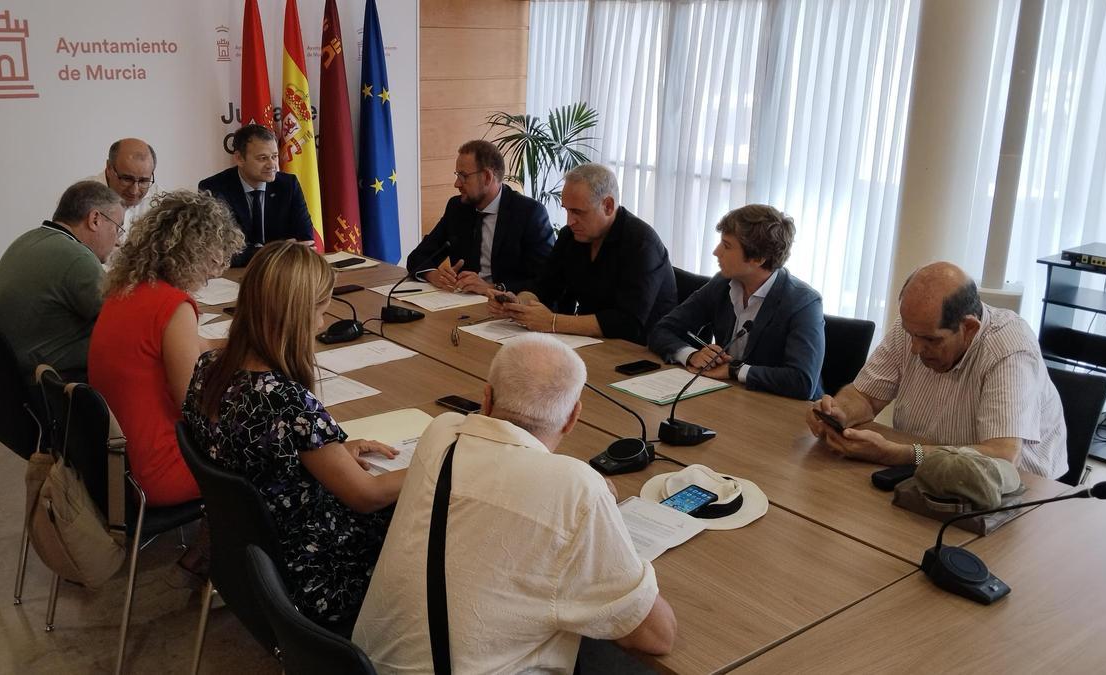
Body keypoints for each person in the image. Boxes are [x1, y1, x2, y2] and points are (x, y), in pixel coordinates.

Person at [354, 334, 676, 673]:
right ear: (573, 417)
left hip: (369, 666)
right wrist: (600, 515)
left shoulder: (442, 432)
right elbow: (657, 636)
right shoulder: (578, 490)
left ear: (487, 398)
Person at [182, 241, 402, 635]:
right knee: (420, 511)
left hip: (247, 562)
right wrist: (437, 460)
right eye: (319, 311)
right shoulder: (287, 402)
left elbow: (251, 451)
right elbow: (366, 496)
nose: (321, 324)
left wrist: (328, 451)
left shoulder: (208, 368)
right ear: (293, 315)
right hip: (313, 575)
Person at [808, 262, 1068, 478]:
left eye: (931, 340)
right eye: (912, 335)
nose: (915, 349)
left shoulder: (1009, 349)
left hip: (1016, 492)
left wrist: (903, 454)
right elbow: (865, 396)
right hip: (927, 477)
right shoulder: (915, 327)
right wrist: (839, 413)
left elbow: (1002, 455)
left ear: (969, 328)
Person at [88, 190, 245, 508]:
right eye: (215, 256)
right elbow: (195, 405)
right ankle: (227, 548)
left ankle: (207, 544)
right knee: (273, 446)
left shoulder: (128, 290)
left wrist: (249, 340)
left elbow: (200, 347)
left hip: (119, 458)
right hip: (160, 467)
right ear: (194, 251)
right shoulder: (172, 305)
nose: (217, 268)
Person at [648, 204, 824, 400]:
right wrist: (691, 355)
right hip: (732, 399)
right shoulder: (722, 283)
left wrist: (734, 370)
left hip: (783, 413)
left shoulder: (804, 303)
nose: (716, 252)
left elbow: (802, 381)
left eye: (727, 245)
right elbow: (662, 330)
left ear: (757, 258)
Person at [489, 163, 676, 344]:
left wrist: (553, 322)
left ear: (608, 206)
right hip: (590, 342)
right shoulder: (572, 235)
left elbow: (627, 322)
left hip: (641, 351)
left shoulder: (641, 243)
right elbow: (544, 287)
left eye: (578, 212)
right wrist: (518, 304)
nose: (570, 221)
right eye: (567, 211)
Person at [0, 181, 123, 380]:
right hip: (52, 384)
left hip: (11, 379)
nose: (118, 240)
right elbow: (120, 321)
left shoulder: (27, 240)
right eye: (118, 228)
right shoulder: (78, 258)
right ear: (95, 219)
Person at [405, 139, 554, 294]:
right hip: (462, 303)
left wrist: (492, 288)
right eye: (457, 175)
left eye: (463, 176)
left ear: (487, 177)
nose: (457, 184)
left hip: (508, 306)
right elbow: (417, 257)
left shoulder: (529, 213)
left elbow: (545, 282)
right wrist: (434, 275)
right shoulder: (457, 208)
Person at [198, 124, 314, 267]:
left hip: (281, 273)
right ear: (240, 158)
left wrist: (262, 252)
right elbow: (221, 251)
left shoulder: (288, 185)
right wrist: (276, 250)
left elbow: (306, 241)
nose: (272, 165)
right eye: (262, 158)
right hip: (234, 277)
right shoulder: (214, 188)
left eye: (274, 156)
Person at [87, 138, 162, 230]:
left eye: (143, 181)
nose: (134, 191)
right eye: (127, 179)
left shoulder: (162, 203)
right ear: (109, 168)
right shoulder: (80, 198)